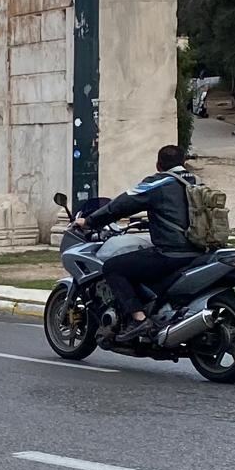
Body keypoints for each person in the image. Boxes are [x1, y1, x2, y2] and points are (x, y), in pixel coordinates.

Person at [74, 145, 204, 342]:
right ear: (183, 162)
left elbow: (121, 205)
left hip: (171, 253)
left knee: (113, 267)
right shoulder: (197, 182)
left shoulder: (158, 183)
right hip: (200, 251)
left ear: (158, 165)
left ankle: (138, 319)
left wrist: (89, 221)